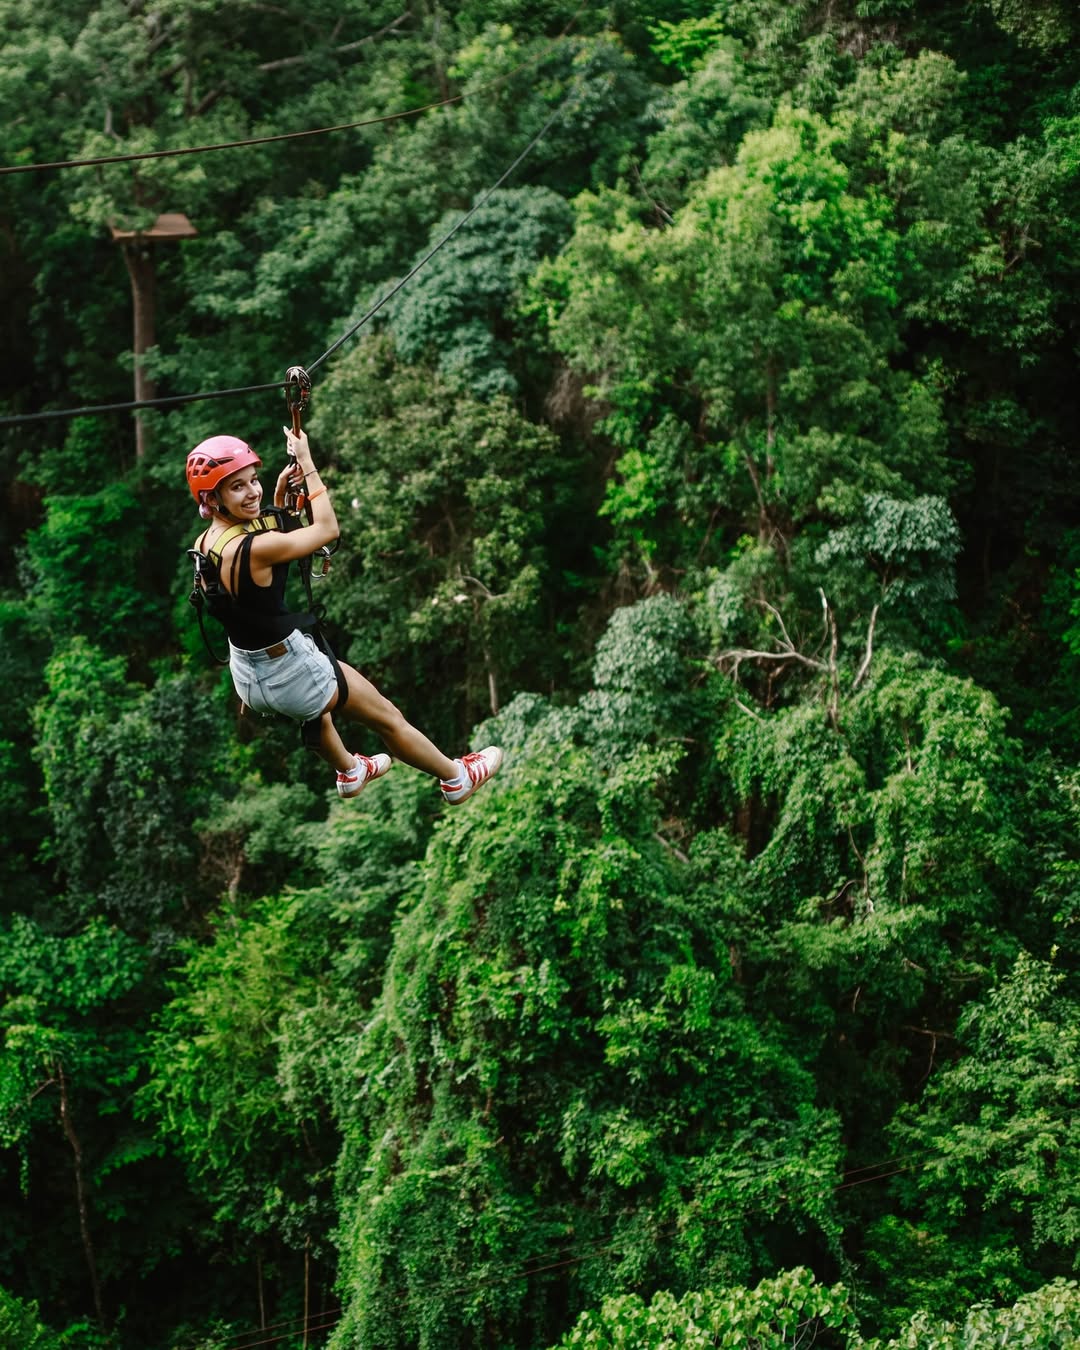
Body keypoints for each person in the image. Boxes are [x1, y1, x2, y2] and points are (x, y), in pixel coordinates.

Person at [186, 427, 503, 803]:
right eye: (237, 487)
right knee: (387, 717)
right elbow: (326, 529)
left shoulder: (206, 543)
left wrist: (280, 502)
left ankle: (350, 771)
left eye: (253, 480)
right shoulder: (257, 549)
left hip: (249, 678)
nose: (253, 491)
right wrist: (307, 462)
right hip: (289, 671)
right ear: (212, 498)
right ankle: (456, 778)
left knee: (316, 708)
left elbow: (256, 570)